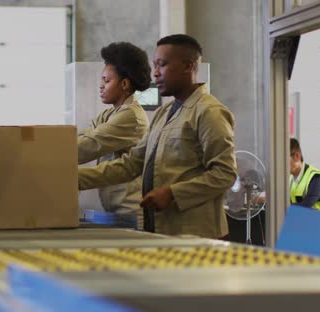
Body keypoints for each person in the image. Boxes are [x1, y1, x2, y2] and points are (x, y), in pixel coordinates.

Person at [78, 34, 237, 239]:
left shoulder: (209, 112)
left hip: (195, 233)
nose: (155, 73)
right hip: (162, 229)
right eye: (154, 65)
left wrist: (172, 193)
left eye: (162, 65)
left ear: (188, 66)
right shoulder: (164, 113)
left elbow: (225, 173)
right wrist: (75, 178)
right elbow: (131, 164)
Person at [77, 42, 151, 219]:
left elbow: (86, 147)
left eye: (107, 80)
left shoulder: (130, 116)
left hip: (131, 210)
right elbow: (83, 138)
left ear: (124, 84)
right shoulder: (109, 114)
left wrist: (45, 158)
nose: (101, 86)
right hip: (116, 209)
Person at [289, 138, 320, 210]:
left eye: (283, 159)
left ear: (297, 156)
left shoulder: (316, 179)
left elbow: (306, 206)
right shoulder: (290, 179)